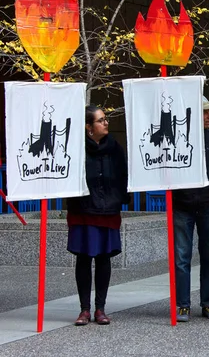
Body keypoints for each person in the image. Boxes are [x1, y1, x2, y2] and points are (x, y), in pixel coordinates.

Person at [67, 105, 128, 326]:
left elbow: (124, 176)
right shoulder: (76, 149)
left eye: (105, 119)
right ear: (89, 127)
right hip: (83, 210)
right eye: (101, 120)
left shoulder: (115, 148)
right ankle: (84, 310)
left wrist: (118, 198)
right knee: (84, 257)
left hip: (108, 210)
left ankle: (100, 309)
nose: (106, 123)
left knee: (103, 257)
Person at [172, 96, 209, 322]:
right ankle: (183, 305)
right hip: (183, 205)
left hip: (208, 204)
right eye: (204, 112)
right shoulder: (178, 138)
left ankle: (208, 303)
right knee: (181, 257)